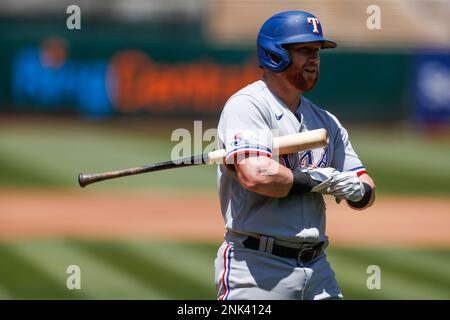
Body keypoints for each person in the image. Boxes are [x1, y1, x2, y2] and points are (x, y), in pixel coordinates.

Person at [214, 10, 376, 300]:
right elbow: (257, 175)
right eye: (304, 50)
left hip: (318, 268)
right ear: (275, 53)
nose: (314, 58)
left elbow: (366, 186)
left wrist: (357, 190)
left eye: (317, 51)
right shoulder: (248, 106)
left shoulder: (326, 121)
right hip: (257, 268)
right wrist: (320, 180)